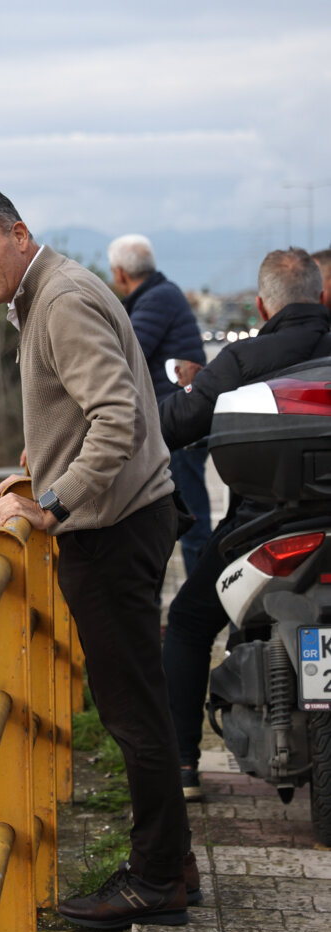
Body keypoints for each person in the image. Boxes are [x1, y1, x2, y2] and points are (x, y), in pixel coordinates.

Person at [0, 185, 191, 930]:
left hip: (111, 532)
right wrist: (42, 457)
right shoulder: (52, 289)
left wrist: (52, 503)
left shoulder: (60, 300)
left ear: (18, 234)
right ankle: (172, 863)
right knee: (139, 704)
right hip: (129, 518)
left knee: (132, 714)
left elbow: (117, 417)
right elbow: (92, 404)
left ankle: (155, 881)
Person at [159, 248, 331, 801]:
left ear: (261, 306)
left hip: (266, 530)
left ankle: (183, 766)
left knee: (188, 622)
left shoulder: (243, 360)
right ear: (321, 296)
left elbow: (174, 424)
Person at [108, 234, 212, 572]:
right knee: (185, 517)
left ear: (120, 273)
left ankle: (199, 599)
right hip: (179, 420)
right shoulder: (160, 295)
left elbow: (123, 356)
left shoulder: (155, 300)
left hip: (178, 424)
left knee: (191, 521)